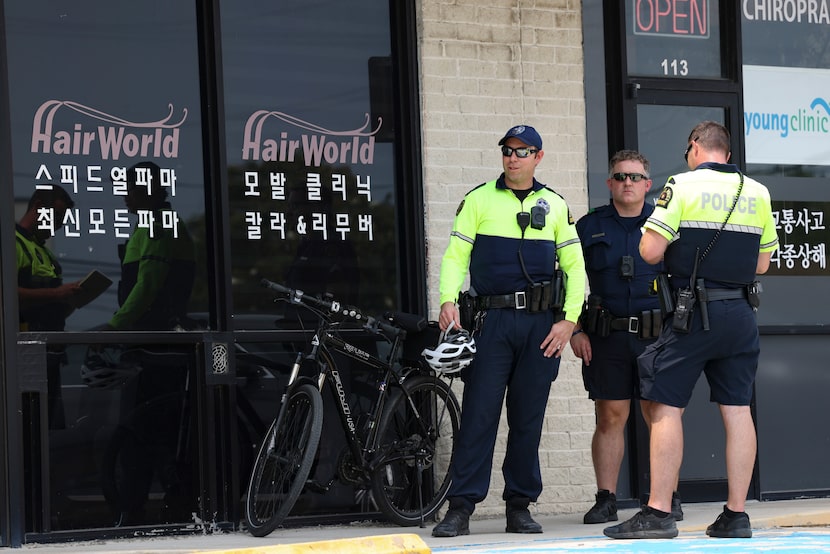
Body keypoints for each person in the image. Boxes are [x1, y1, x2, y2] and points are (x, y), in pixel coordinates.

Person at [604, 121, 779, 540]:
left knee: (664, 405)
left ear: (696, 147)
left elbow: (649, 251)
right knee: (737, 410)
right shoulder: (756, 191)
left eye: (687, 150)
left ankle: (659, 512)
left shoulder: (680, 185)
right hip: (740, 313)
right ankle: (736, 515)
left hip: (692, 313)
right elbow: (762, 264)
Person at [431, 125, 586, 537]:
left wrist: (569, 321)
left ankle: (519, 505)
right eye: (508, 150)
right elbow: (455, 255)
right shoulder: (478, 199)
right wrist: (448, 298)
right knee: (479, 415)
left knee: (527, 418)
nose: (513, 157)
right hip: (491, 322)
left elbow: (575, 269)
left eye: (523, 151)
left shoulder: (554, 205)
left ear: (539, 156)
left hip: (540, 326)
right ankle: (460, 507)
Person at [571, 150, 683, 524]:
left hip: (658, 335)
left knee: (660, 415)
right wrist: (574, 329)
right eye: (620, 177)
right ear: (609, 183)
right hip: (607, 336)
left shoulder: (667, 224)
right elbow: (567, 280)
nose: (628, 183)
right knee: (610, 416)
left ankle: (667, 496)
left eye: (635, 177)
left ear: (648, 184)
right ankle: (607, 498)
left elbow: (684, 280)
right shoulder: (588, 227)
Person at [16, 186, 83, 429]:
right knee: (27, 430)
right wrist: (58, 293)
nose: (57, 226)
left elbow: (51, 304)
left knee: (45, 434)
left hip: (50, 356)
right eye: (55, 218)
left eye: (62, 221)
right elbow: (8, 296)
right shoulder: (12, 243)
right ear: (37, 208)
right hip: (25, 359)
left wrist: (71, 302)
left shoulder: (45, 253)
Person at [105, 161, 196, 331]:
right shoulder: (150, 223)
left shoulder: (158, 223)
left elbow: (148, 284)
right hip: (149, 331)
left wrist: (115, 325)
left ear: (149, 187)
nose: (124, 195)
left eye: (129, 188)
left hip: (156, 336)